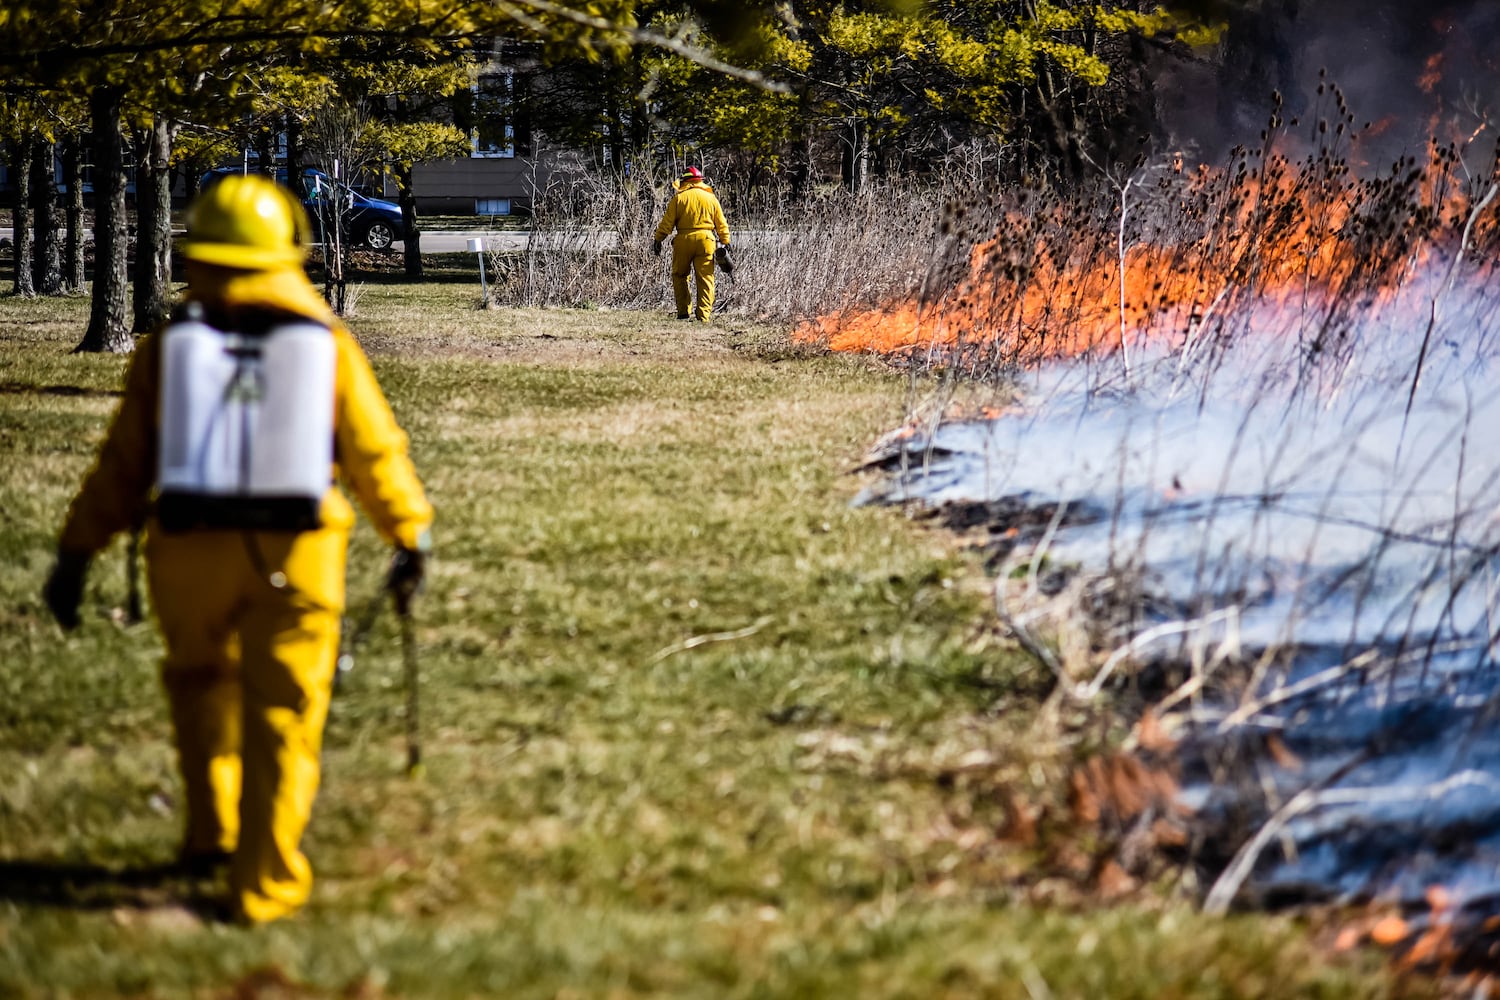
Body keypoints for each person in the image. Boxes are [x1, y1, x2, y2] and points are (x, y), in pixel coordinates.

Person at [41, 174, 434, 924]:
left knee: (198, 687)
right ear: (290, 247)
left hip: (185, 551)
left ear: (201, 252)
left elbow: (123, 466)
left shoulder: (170, 348)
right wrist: (408, 532)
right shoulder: (326, 343)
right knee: (283, 715)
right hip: (297, 556)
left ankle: (212, 831)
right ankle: (262, 884)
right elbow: (372, 452)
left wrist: (76, 552)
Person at [652, 166, 731, 322]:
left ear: (685, 181)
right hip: (707, 240)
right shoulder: (711, 198)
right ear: (700, 181)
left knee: (680, 275)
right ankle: (704, 316)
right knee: (706, 278)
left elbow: (667, 224)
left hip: (683, 240)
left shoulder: (679, 198)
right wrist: (725, 240)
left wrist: (658, 239)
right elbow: (721, 223)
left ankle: (683, 312)